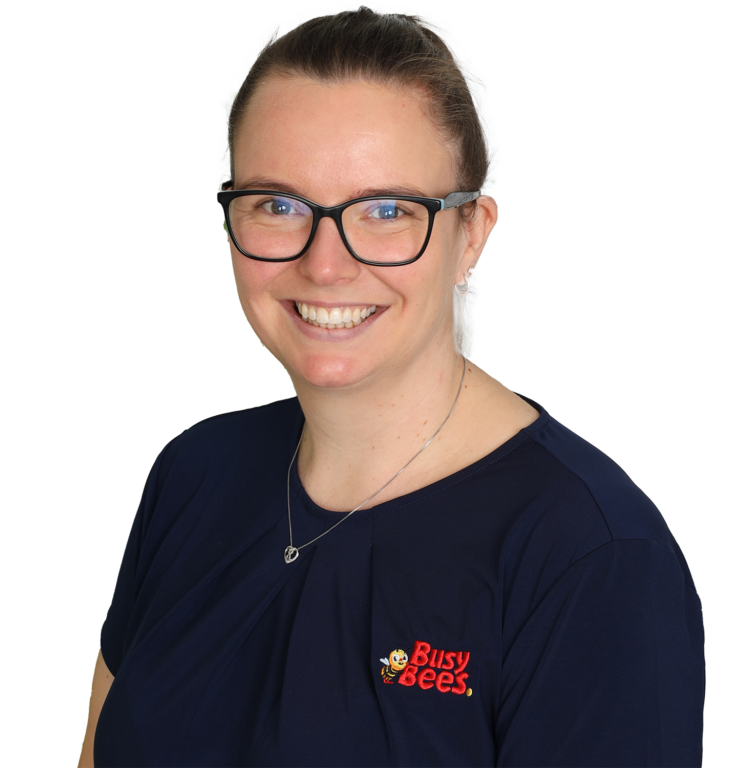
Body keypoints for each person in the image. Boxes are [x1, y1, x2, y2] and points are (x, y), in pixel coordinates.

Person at [78, 4, 705, 767]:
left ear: (470, 232)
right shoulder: (192, 473)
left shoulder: (590, 555)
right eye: (278, 204)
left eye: (385, 210)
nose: (325, 264)